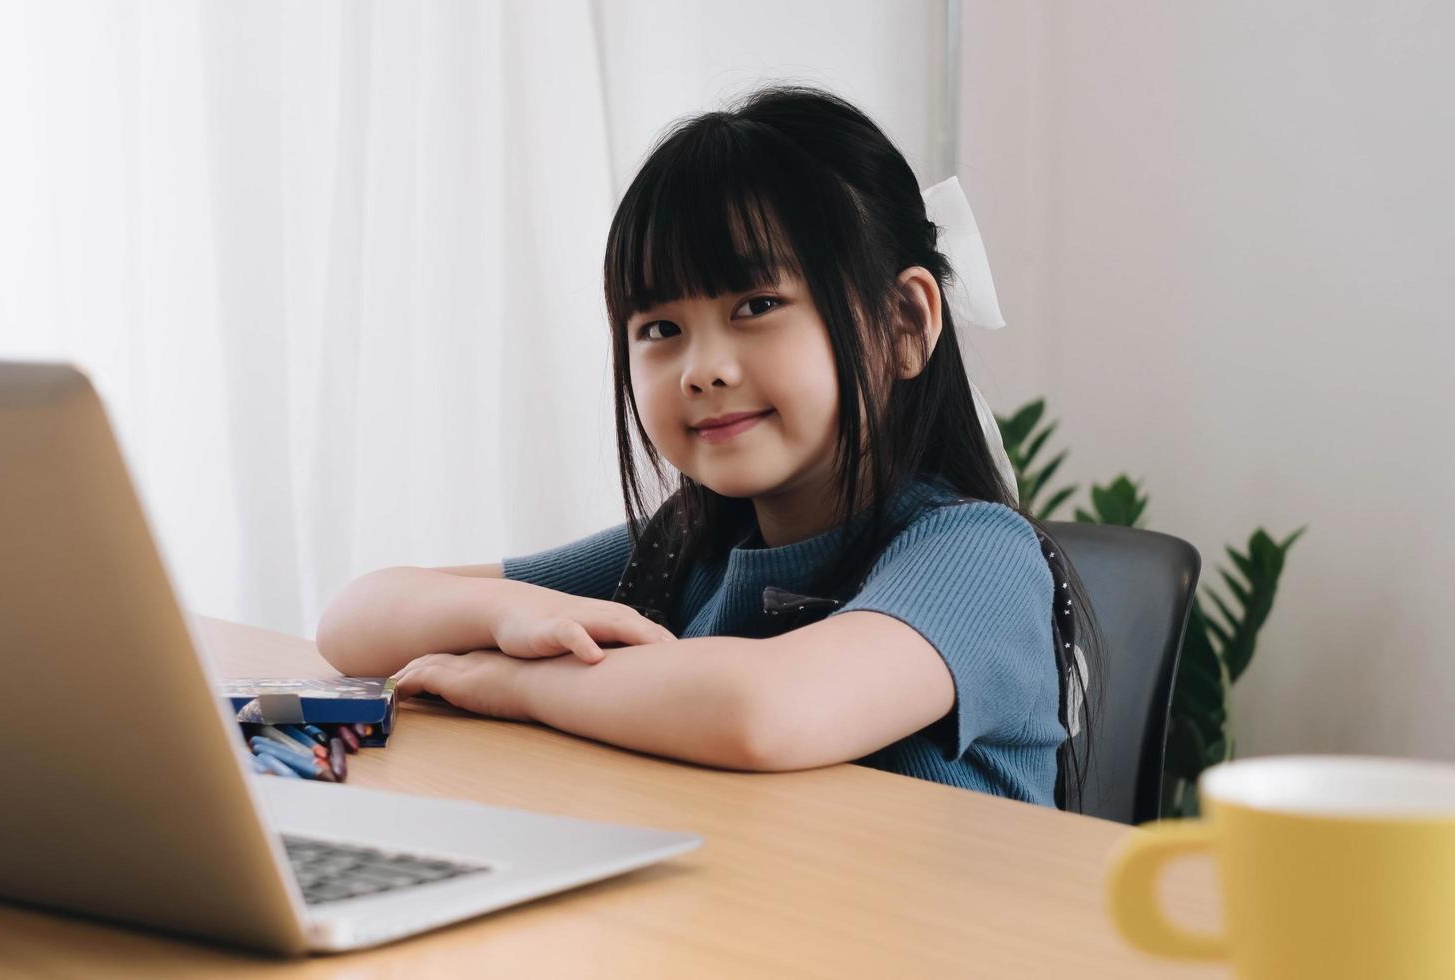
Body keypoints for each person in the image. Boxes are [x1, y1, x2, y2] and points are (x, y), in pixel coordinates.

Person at [316, 85, 1097, 808]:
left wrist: (516, 685)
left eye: (757, 305)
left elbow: (761, 711)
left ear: (904, 322)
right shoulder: (685, 550)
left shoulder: (977, 554)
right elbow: (355, 623)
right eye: (660, 329)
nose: (703, 370)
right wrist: (511, 615)